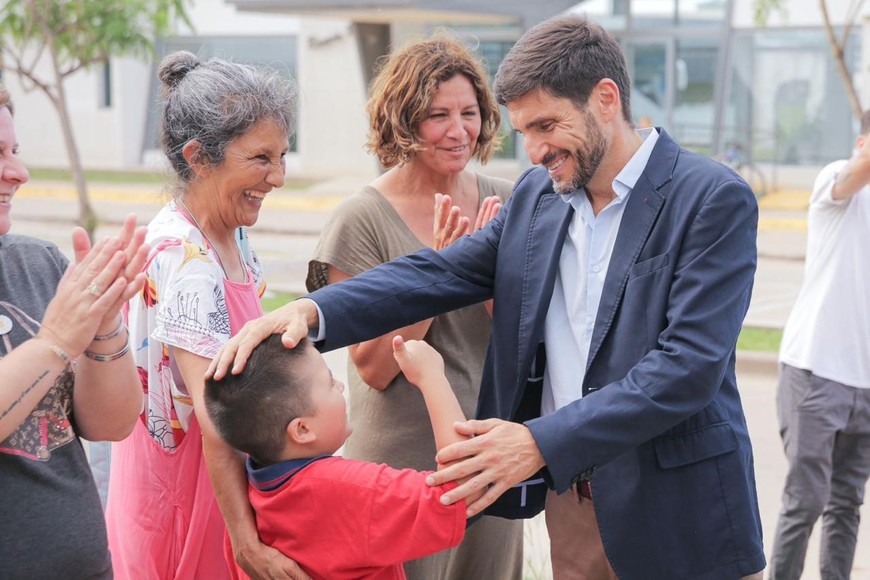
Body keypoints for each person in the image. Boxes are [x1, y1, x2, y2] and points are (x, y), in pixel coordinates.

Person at [210, 14, 766, 580]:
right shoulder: (539, 196)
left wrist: (538, 442)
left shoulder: (712, 198)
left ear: (605, 99)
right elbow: (435, 274)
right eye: (524, 131)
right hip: (572, 501)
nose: (533, 151)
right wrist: (313, 311)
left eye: (546, 125)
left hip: (680, 507)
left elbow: (688, 367)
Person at [305, 33, 522, 579]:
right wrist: (439, 274)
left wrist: (493, 279)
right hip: (402, 467)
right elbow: (374, 369)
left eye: (469, 113)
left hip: (489, 453)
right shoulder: (361, 218)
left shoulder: (510, 201)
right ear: (402, 121)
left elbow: (522, 343)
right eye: (437, 115)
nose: (458, 131)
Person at [104, 52, 306, 579]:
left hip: (214, 487)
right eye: (261, 158)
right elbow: (216, 416)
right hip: (189, 502)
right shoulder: (188, 261)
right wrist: (247, 542)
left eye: (283, 156)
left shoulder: (230, 233)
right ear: (198, 156)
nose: (278, 177)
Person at [0, 85, 147, 578]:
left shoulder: (37, 263)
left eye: (15, 151)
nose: (19, 172)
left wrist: (104, 325)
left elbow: (111, 425)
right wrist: (56, 341)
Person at [204, 335, 475, 579]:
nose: (341, 387)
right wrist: (431, 377)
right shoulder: (348, 490)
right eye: (329, 383)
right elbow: (458, 491)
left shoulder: (247, 497)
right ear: (302, 429)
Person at [769, 112, 870, 579]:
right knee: (805, 500)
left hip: (865, 384)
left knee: (847, 504)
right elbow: (858, 172)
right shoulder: (837, 181)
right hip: (815, 372)